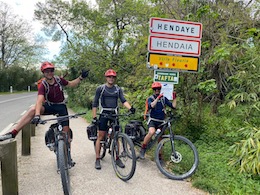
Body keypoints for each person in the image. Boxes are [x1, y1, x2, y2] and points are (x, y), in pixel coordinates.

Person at [0, 61, 88, 164]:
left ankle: (68, 156)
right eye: (47, 71)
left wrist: (81, 77)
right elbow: (39, 100)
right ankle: (13, 133)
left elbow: (71, 84)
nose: (49, 73)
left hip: (61, 107)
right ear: (43, 73)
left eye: (51, 71)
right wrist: (37, 115)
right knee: (33, 109)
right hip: (49, 106)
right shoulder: (43, 85)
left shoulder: (59, 80)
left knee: (66, 132)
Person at [92, 69, 135, 170]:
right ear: (106, 77)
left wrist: (130, 108)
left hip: (114, 114)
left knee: (116, 136)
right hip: (104, 113)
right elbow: (94, 103)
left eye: (113, 77)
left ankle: (117, 158)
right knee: (101, 136)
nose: (111, 78)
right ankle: (97, 158)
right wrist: (94, 117)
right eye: (109, 77)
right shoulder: (100, 88)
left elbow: (123, 100)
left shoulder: (117, 89)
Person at [139, 82, 177, 159]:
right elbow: (151, 106)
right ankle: (143, 148)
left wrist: (175, 98)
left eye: (158, 89)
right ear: (153, 90)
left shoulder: (164, 99)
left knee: (160, 138)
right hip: (152, 120)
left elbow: (173, 106)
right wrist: (157, 98)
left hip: (161, 121)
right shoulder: (151, 98)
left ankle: (159, 155)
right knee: (151, 132)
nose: (157, 90)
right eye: (155, 89)